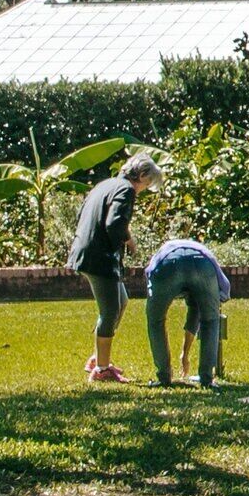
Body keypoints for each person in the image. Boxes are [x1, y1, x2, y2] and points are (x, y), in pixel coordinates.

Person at [64, 152, 160, 385]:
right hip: (99, 257)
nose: (145, 189)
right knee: (109, 310)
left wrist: (127, 238)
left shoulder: (105, 184)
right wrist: (126, 241)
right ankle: (102, 369)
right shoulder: (126, 190)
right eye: (148, 184)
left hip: (84, 251)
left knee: (121, 301)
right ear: (142, 176)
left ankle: (97, 358)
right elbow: (114, 223)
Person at [145, 233, 230, 389]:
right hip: (203, 264)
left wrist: (185, 353)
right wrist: (184, 354)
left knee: (155, 320)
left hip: (167, 263)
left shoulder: (162, 251)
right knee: (211, 320)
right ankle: (207, 378)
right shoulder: (202, 251)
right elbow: (203, 309)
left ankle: (164, 377)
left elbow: (193, 314)